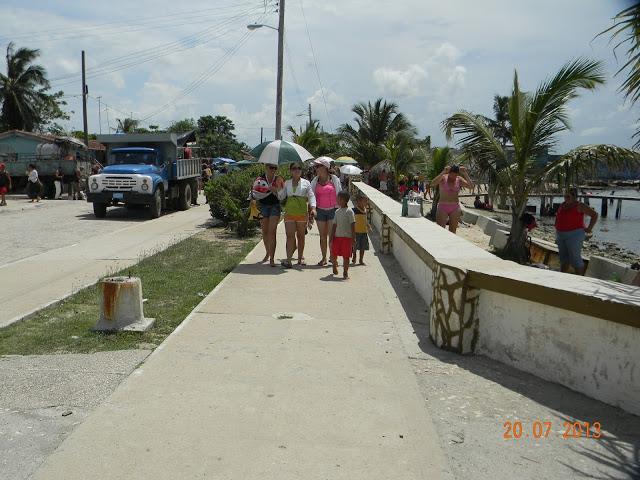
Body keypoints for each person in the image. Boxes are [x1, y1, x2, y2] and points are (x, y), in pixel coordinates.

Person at [277, 162, 316, 268]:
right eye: (294, 168)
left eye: (299, 168)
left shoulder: (306, 183)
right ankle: (289, 261)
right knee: (289, 237)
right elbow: (281, 197)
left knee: (301, 237)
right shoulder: (287, 183)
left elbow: (311, 196)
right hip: (289, 213)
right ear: (290, 171)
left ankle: (300, 259)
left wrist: (313, 208)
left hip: (301, 213)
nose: (297, 170)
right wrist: (279, 189)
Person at [555, 187, 598, 275]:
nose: (566, 197)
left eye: (569, 196)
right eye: (565, 195)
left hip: (574, 235)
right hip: (560, 234)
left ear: (575, 196)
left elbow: (594, 215)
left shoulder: (580, 205)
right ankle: (562, 277)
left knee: (575, 258)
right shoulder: (562, 205)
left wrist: (589, 228)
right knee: (563, 259)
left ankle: (580, 279)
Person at [310, 157, 342, 266]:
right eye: (316, 166)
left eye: (318, 166)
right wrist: (311, 210)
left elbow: (340, 193)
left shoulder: (334, 179)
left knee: (331, 236)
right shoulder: (315, 181)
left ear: (325, 167)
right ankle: (323, 258)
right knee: (322, 236)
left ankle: (333, 257)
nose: (316, 168)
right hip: (320, 211)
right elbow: (311, 196)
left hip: (333, 210)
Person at [252, 163, 284, 267]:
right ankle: (268, 252)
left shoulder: (279, 179)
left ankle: (272, 258)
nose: (273, 170)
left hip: (275, 206)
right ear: (266, 167)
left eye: (275, 168)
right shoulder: (260, 179)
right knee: (265, 232)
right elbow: (255, 193)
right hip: (263, 207)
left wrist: (276, 191)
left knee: (272, 232)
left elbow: (283, 196)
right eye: (271, 167)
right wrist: (266, 190)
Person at [430, 164, 473, 233]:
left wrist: (465, 174)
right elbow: (432, 183)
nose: (454, 177)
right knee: (440, 231)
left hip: (455, 207)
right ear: (449, 172)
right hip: (443, 206)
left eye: (455, 175)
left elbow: (471, 187)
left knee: (452, 232)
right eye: (452, 175)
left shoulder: (459, 179)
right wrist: (443, 172)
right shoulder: (443, 177)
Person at [331, 190, 356, 279]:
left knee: (346, 256)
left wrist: (353, 237)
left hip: (347, 238)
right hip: (337, 237)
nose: (337, 200)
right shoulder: (337, 212)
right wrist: (331, 237)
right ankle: (334, 266)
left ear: (344, 200)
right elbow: (334, 225)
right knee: (334, 254)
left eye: (339, 199)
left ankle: (345, 272)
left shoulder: (350, 212)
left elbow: (352, 225)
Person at [352, 193, 371, 265]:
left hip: (364, 231)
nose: (366, 203)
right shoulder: (354, 210)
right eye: (365, 201)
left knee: (363, 247)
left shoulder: (365, 211)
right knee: (355, 247)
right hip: (356, 232)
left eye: (367, 201)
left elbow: (365, 219)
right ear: (358, 202)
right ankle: (354, 256)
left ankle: (361, 259)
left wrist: (368, 225)